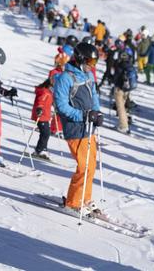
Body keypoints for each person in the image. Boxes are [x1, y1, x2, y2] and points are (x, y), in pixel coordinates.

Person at [54, 43, 103, 214]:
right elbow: (61, 106)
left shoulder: (88, 75)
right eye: (90, 61)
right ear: (81, 58)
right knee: (83, 166)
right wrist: (83, 115)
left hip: (89, 127)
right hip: (75, 129)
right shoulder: (65, 78)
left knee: (91, 166)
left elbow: (94, 96)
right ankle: (73, 203)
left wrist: (97, 113)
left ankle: (85, 197)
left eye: (95, 62)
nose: (92, 65)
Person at [112, 51, 137, 133]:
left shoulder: (120, 66)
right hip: (127, 89)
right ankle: (125, 122)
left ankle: (123, 126)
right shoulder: (130, 65)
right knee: (124, 106)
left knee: (120, 108)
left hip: (119, 89)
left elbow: (116, 77)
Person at [32, 79, 54, 159]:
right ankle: (39, 150)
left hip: (45, 115)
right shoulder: (45, 92)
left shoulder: (48, 92)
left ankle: (42, 149)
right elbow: (40, 101)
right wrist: (39, 108)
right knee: (45, 133)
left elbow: (47, 101)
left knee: (46, 133)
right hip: (41, 116)